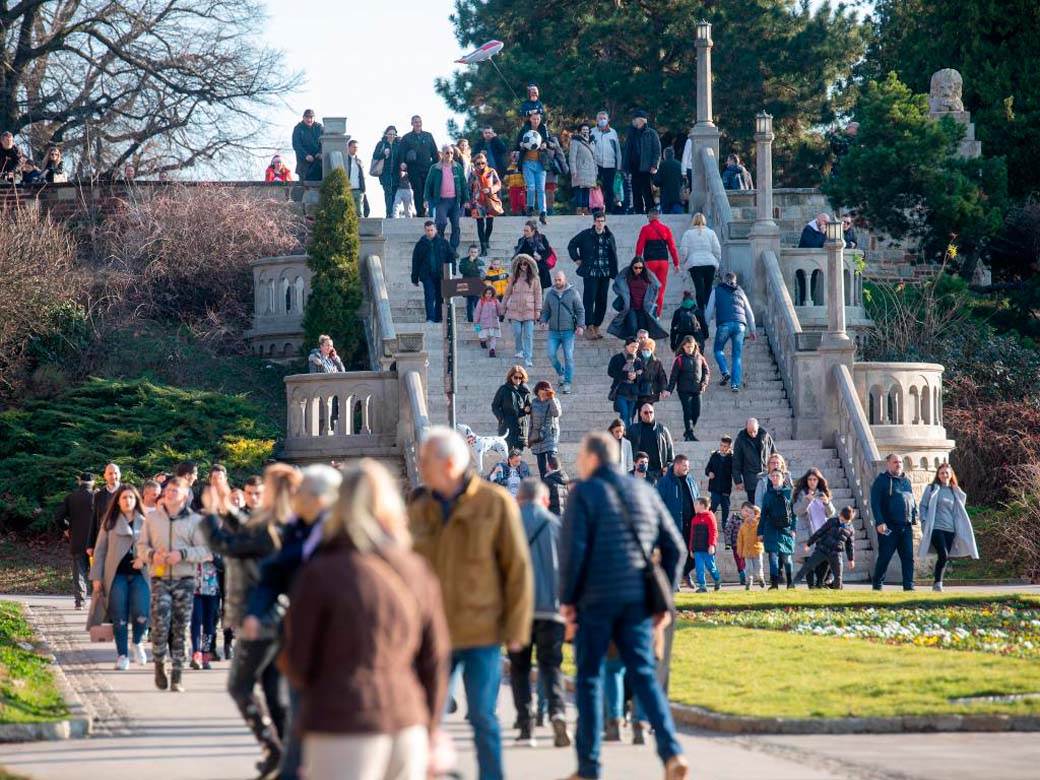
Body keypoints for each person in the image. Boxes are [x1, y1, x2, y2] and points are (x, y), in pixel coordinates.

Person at [286, 460, 450, 780]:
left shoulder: (320, 573)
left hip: (341, 719)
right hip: (406, 719)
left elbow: (298, 661)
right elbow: (435, 659)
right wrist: (430, 728)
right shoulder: (415, 569)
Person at [559, 432, 688, 780]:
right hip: (636, 599)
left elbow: (573, 552)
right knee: (644, 674)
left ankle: (589, 766)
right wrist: (666, 594)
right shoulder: (644, 491)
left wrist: (568, 602)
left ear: (590, 459)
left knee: (588, 677)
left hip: (595, 600)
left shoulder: (583, 493)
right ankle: (672, 752)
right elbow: (677, 548)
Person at [409, 427, 533, 780]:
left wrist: (517, 629)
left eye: (424, 460)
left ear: (448, 463)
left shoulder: (494, 503)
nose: (419, 467)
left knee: (483, 717)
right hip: (431, 635)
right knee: (423, 718)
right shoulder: (420, 507)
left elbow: (517, 570)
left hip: (481, 632)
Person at [243, 464, 343, 780]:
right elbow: (273, 574)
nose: (295, 498)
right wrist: (255, 612)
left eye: (302, 494)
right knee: (297, 713)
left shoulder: (344, 531)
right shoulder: (297, 528)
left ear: (319, 499)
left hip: (341, 641)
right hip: (300, 637)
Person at [199, 465, 299, 776]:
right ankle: (285, 759)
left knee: (240, 686)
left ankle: (274, 748)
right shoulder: (277, 522)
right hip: (273, 615)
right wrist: (226, 509)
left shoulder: (272, 527)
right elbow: (246, 529)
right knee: (273, 691)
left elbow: (227, 544)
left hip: (262, 616)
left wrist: (209, 514)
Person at [509, 478, 569, 748]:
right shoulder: (557, 526)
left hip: (518, 611)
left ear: (518, 499)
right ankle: (557, 710)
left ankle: (525, 724)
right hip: (552, 610)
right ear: (545, 500)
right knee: (551, 666)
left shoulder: (507, 524)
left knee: (520, 668)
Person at [138, 476, 212, 692]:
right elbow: (141, 546)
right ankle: (159, 663)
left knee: (180, 627)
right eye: (167, 490)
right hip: (159, 578)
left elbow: (205, 551)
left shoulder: (194, 521)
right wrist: (152, 555)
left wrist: (182, 554)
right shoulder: (152, 519)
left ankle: (177, 673)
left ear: (185, 496)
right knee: (160, 624)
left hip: (185, 579)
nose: (169, 494)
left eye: (174, 491)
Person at [89, 485, 149, 669]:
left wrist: (143, 558)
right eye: (124, 497)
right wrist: (97, 578)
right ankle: (122, 655)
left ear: (136, 500)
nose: (127, 500)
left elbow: (155, 546)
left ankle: (137, 642)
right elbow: (99, 551)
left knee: (142, 613)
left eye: (131, 497)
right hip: (116, 576)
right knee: (119, 616)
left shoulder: (146, 521)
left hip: (140, 575)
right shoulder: (110, 523)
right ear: (118, 501)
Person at [918, 463, 979, 592]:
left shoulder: (955, 491)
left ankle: (937, 583)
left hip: (950, 529)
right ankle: (938, 583)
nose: (944, 475)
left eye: (947, 473)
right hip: (936, 527)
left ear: (951, 475)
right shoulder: (932, 488)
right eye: (941, 473)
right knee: (943, 554)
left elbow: (958, 511)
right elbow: (923, 505)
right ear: (938, 475)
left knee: (944, 557)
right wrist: (924, 520)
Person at [870, 454, 919, 591]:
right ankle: (877, 585)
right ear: (888, 464)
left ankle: (909, 587)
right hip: (888, 527)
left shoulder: (906, 481)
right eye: (895, 462)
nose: (898, 464)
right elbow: (875, 503)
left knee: (908, 558)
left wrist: (914, 515)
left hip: (906, 526)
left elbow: (911, 500)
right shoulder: (881, 481)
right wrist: (880, 522)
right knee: (885, 557)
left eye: (900, 462)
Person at [567, 211, 618, 340]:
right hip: (591, 272)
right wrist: (577, 259)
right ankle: (588, 326)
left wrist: (614, 271)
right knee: (589, 299)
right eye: (598, 221)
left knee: (602, 300)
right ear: (594, 221)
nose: (600, 223)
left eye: (602, 221)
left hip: (605, 273)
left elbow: (613, 254)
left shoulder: (609, 236)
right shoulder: (586, 234)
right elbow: (571, 244)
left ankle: (596, 325)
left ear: (605, 222)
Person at [705, 271, 756, 393]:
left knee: (718, 350)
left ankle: (725, 371)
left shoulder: (716, 290)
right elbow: (749, 311)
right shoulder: (740, 291)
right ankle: (735, 385)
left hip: (724, 324)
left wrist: (705, 326)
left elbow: (709, 310)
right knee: (737, 356)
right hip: (740, 325)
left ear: (723, 280)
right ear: (735, 280)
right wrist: (753, 329)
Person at [656, 455, 700, 588]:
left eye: (688, 466)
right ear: (676, 465)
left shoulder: (691, 479)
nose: (687, 468)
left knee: (691, 552)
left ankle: (686, 574)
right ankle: (674, 581)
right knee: (675, 552)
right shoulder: (664, 482)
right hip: (674, 523)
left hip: (691, 523)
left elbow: (697, 497)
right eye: (685, 466)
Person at [55, 472, 96, 609]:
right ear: (93, 482)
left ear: (79, 482)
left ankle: (80, 602)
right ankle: (100, 604)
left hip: (77, 540)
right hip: (96, 542)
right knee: (99, 572)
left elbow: (58, 517)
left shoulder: (70, 498)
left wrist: (66, 529)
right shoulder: (98, 497)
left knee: (79, 572)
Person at [541, 270, 585, 394]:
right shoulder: (550, 294)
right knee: (551, 354)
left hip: (568, 331)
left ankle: (567, 382)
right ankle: (561, 372)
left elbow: (580, 310)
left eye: (559, 280)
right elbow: (545, 311)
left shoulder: (573, 293)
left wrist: (581, 326)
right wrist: (543, 320)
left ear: (565, 279)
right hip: (553, 331)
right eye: (555, 280)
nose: (557, 282)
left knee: (569, 357)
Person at [792, 468, 837, 588]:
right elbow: (797, 511)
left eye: (814, 479)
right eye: (810, 479)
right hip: (807, 532)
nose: (812, 482)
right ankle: (811, 586)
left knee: (824, 560)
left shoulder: (823, 493)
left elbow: (831, 513)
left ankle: (820, 584)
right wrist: (807, 500)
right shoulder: (801, 493)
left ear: (818, 481)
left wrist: (827, 502)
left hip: (822, 532)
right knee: (808, 561)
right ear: (806, 481)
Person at [794, 506, 857, 589]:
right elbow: (820, 532)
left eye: (846, 521)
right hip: (822, 549)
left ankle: (837, 592)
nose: (843, 522)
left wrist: (851, 559)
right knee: (807, 566)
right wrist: (809, 543)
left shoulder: (850, 529)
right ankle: (793, 585)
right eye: (842, 519)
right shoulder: (832, 521)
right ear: (840, 515)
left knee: (838, 575)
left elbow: (850, 545)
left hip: (836, 553)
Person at [607, 257, 668, 342]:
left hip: (643, 308)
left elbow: (656, 289)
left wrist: (651, 302)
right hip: (631, 307)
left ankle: (641, 347)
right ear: (632, 267)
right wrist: (623, 296)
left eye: (640, 268)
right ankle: (630, 344)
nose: (638, 270)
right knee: (633, 327)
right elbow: (617, 285)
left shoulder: (648, 277)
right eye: (636, 267)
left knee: (642, 329)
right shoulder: (627, 276)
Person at [680, 213, 721, 336]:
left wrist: (684, 261)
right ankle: (708, 312)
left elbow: (683, 250)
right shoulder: (711, 233)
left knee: (699, 287)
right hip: (709, 262)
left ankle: (701, 311)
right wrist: (717, 261)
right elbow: (717, 249)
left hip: (695, 262)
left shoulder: (688, 233)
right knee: (708, 288)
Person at [635, 207, 680, 313]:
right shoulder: (666, 229)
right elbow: (672, 247)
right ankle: (658, 314)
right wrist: (676, 263)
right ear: (658, 216)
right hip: (663, 262)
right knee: (661, 288)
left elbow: (640, 246)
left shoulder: (645, 229)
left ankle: (648, 311)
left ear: (650, 216)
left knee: (648, 287)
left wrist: (637, 261)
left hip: (650, 262)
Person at [411, 220, 455, 324]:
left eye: (431, 230)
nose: (430, 232)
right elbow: (415, 261)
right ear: (424, 231)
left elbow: (451, 256)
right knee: (429, 296)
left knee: (440, 297)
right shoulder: (420, 244)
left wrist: (452, 271)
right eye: (427, 230)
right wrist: (414, 278)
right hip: (427, 275)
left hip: (441, 274)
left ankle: (438, 318)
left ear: (435, 230)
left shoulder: (443, 242)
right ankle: (430, 318)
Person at [667, 336, 710, 442]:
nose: (689, 349)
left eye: (691, 347)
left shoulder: (700, 357)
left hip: (697, 389)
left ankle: (688, 431)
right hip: (683, 390)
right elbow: (673, 376)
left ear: (694, 346)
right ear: (683, 347)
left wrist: (704, 383)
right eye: (687, 347)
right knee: (687, 411)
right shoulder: (679, 359)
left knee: (697, 412)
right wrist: (669, 389)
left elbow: (706, 372)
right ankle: (689, 433)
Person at [502, 254, 542, 368]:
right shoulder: (514, 277)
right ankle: (519, 349)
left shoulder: (535, 278)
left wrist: (538, 309)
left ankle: (528, 357)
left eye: (525, 263)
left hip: (529, 309)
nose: (523, 266)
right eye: (521, 264)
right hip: (515, 309)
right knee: (517, 332)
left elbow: (538, 294)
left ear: (529, 264)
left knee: (528, 335)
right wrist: (503, 305)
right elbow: (507, 292)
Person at [424, 145, 466, 251]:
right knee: (441, 222)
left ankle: (453, 248)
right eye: (447, 152)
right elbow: (428, 184)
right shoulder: (435, 168)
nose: (450, 155)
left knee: (456, 226)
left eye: (452, 153)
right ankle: (440, 244)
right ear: (442, 154)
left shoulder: (458, 167)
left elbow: (463, 184)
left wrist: (466, 199)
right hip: (441, 201)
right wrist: (426, 199)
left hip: (454, 201)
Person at [759, 469, 796, 589]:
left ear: (783, 478)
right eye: (773, 476)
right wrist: (760, 532)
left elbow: (794, 513)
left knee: (786, 557)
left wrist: (793, 528)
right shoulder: (768, 495)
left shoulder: (789, 493)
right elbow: (763, 514)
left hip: (786, 529)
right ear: (770, 478)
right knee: (772, 556)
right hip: (771, 528)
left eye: (777, 476)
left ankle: (790, 582)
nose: (775, 478)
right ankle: (774, 584)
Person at [514, 112, 553, 224]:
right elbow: (517, 144)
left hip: (540, 164)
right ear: (530, 119)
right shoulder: (525, 129)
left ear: (540, 119)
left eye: (538, 119)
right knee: (531, 187)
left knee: (541, 189)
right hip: (527, 163)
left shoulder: (543, 129)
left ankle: (543, 213)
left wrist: (546, 144)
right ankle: (530, 206)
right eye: (534, 119)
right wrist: (521, 144)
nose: (536, 121)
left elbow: (552, 143)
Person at [621, 110, 662, 214]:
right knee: (635, 191)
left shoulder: (651, 133)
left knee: (647, 190)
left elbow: (657, 151)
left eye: (635, 119)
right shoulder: (631, 133)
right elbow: (627, 150)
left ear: (641, 120)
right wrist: (625, 166)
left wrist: (654, 165)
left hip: (646, 167)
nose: (633, 121)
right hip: (634, 167)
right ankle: (638, 211)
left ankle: (651, 211)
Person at [398, 115, 439, 217]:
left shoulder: (428, 136)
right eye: (415, 122)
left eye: (419, 122)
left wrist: (437, 165)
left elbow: (434, 152)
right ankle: (421, 213)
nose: (418, 124)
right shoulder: (406, 137)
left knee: (428, 190)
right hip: (414, 169)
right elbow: (401, 152)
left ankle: (430, 212)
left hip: (427, 168)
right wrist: (402, 162)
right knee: (418, 191)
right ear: (412, 123)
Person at [626, 403, 674, 484]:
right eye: (645, 412)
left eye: (651, 412)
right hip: (640, 472)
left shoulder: (663, 430)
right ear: (640, 413)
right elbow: (625, 448)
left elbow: (670, 451)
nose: (649, 414)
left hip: (658, 473)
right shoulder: (632, 430)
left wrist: (668, 466)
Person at [732, 418, 775, 505]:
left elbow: (774, 453)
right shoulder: (741, 439)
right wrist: (738, 480)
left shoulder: (765, 436)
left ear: (758, 427)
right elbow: (736, 461)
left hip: (766, 475)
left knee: (769, 504)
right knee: (754, 506)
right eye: (750, 432)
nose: (752, 434)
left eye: (754, 431)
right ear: (746, 428)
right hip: (751, 477)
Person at [468, 151, 503, 256]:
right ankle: (483, 247)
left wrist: (491, 189)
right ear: (475, 164)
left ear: (486, 162)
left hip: (489, 200)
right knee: (480, 225)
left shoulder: (491, 171)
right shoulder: (473, 174)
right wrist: (467, 200)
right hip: (477, 201)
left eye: (482, 163)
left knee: (489, 224)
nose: (480, 165)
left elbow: (498, 183)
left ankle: (486, 239)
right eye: (478, 163)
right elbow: (468, 188)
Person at [492, 366, 532, 452]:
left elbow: (529, 405)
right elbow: (495, 406)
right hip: (507, 425)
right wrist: (501, 418)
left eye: (520, 378)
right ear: (511, 377)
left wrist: (528, 409)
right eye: (515, 377)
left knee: (518, 455)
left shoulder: (525, 391)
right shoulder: (503, 389)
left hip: (520, 426)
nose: (518, 380)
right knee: (507, 453)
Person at [528, 380, 562, 478]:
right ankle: (544, 483)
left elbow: (557, 414)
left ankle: (557, 479)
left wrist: (551, 399)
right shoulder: (534, 402)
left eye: (545, 389)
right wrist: (530, 436)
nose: (543, 391)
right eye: (541, 389)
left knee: (552, 456)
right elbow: (532, 420)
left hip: (550, 433)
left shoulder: (554, 400)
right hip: (538, 434)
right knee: (541, 461)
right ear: (537, 390)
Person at [591, 111, 622, 214]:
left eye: (604, 118)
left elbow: (618, 151)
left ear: (608, 120)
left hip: (610, 165)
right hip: (596, 165)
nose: (602, 120)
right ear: (596, 120)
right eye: (600, 118)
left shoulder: (613, 132)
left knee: (609, 188)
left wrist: (619, 166)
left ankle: (609, 210)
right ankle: (597, 210)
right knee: (596, 188)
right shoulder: (592, 132)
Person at [88, 463, 122, 558]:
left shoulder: (127, 492)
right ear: (105, 476)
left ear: (120, 474)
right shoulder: (99, 495)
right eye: (110, 473)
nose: (113, 476)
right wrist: (90, 544)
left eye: (116, 473)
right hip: (103, 540)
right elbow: (94, 519)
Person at [607, 338, 643, 425]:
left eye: (636, 347)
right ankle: (623, 435)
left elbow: (642, 374)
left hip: (633, 392)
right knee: (624, 414)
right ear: (626, 346)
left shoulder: (638, 360)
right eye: (632, 346)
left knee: (630, 416)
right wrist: (626, 375)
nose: (634, 348)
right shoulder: (617, 358)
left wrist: (636, 376)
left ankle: (628, 435)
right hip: (620, 390)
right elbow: (611, 372)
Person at [688, 497, 721, 592]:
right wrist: (691, 549)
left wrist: (712, 545)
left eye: (696, 504)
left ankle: (717, 579)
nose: (694, 506)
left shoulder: (710, 517)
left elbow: (714, 532)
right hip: (697, 549)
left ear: (702, 505)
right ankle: (702, 586)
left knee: (711, 567)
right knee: (699, 568)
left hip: (707, 549)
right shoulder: (694, 519)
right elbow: (692, 535)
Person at [514, 218, 554, 291]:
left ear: (533, 231)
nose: (525, 233)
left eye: (527, 231)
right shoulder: (521, 241)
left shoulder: (542, 238)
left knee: (539, 293)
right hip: (527, 270)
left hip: (540, 269)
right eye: (524, 230)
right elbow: (518, 254)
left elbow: (548, 251)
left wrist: (540, 257)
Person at [568, 124, 598, 215]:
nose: (585, 131)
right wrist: (573, 170)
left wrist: (596, 170)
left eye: (587, 129)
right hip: (580, 168)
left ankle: (586, 208)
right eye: (583, 129)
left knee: (587, 189)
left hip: (590, 169)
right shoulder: (576, 141)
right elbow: (572, 157)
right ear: (580, 130)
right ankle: (579, 208)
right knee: (579, 189)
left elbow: (594, 157)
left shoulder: (592, 141)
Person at [705, 436, 734, 530]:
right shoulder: (715, 456)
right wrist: (709, 473)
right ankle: (707, 523)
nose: (722, 448)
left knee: (726, 508)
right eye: (721, 445)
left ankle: (725, 526)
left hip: (725, 488)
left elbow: (735, 471)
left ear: (729, 447)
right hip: (715, 487)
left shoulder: (731, 458)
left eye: (725, 446)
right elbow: (707, 468)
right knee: (712, 506)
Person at [736, 502, 766, 589]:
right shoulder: (743, 526)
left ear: (756, 514)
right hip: (747, 551)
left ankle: (760, 578)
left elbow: (761, 536)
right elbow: (740, 540)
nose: (749, 514)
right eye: (747, 513)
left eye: (751, 513)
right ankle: (748, 582)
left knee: (758, 567)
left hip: (757, 550)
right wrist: (739, 551)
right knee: (748, 569)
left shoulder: (758, 525)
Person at [372, 125, 400, 217]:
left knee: (394, 193)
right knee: (388, 192)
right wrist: (383, 154)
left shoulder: (398, 144)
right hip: (385, 173)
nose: (392, 136)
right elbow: (375, 156)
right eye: (390, 134)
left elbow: (401, 157)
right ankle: (389, 213)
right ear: (386, 134)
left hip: (396, 173)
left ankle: (390, 211)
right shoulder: (381, 144)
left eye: (393, 134)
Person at [635, 337, 669, 408]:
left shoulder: (657, 362)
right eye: (643, 349)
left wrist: (663, 389)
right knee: (641, 411)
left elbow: (662, 376)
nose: (645, 351)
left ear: (651, 350)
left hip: (652, 390)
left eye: (648, 349)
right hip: (639, 390)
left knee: (649, 411)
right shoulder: (637, 360)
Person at [291, 110, 322, 182]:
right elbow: (296, 145)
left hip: (318, 164)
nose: (309, 119)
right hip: (304, 165)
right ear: (303, 118)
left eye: (311, 117)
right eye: (307, 117)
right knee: (304, 188)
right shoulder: (298, 128)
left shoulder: (319, 128)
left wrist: (320, 153)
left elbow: (324, 143)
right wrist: (305, 155)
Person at [474, 285, 503, 357]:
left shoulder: (496, 301)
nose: (488, 295)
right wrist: (476, 321)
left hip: (493, 322)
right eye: (487, 293)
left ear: (492, 294)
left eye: (490, 293)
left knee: (493, 336)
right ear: (484, 294)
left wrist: (501, 313)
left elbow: (499, 311)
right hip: (483, 323)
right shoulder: (481, 301)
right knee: (483, 336)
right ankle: (482, 341)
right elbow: (477, 311)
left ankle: (492, 350)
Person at [460, 244, 486, 322]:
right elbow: (463, 270)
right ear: (468, 252)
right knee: (469, 304)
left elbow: (482, 275)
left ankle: (478, 321)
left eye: (475, 252)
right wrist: (470, 262)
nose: (473, 254)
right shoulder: (464, 261)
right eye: (471, 252)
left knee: (477, 304)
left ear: (478, 253)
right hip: (467, 285)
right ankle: (470, 321)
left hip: (477, 285)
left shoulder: (480, 262)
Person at [655, 148, 685, 214]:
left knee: (666, 217)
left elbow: (656, 181)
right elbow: (683, 180)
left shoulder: (661, 165)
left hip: (665, 196)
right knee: (678, 216)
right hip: (677, 195)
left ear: (664, 155)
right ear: (673, 155)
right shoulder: (679, 165)